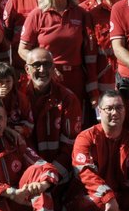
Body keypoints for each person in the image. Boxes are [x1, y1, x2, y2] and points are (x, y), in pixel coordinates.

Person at [66, 92, 129, 211]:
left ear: (125, 111)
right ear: (99, 111)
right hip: (94, 197)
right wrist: (108, 197)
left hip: (120, 199)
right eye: (109, 108)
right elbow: (86, 173)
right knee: (91, 205)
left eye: (119, 108)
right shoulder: (86, 138)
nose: (114, 113)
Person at [18, 0, 99, 111]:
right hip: (44, 77)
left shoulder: (81, 14)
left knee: (72, 121)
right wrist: (46, 66)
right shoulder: (37, 14)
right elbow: (22, 50)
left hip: (74, 78)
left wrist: (93, 90)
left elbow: (90, 55)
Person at [15, 48, 82, 178]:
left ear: (53, 68)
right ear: (27, 69)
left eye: (47, 64)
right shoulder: (16, 95)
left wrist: (50, 175)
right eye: (36, 65)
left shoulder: (68, 100)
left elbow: (71, 146)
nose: (42, 70)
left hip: (57, 175)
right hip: (22, 171)